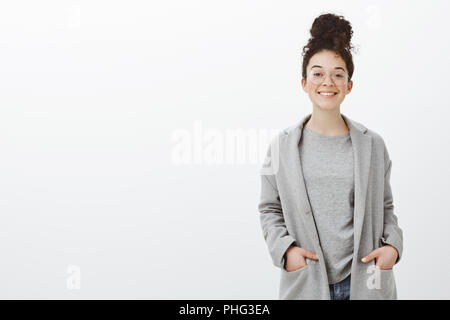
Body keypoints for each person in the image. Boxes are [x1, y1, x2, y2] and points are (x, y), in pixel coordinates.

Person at [258, 13, 403, 300]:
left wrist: (393, 248)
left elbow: (386, 207)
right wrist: (286, 252)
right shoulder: (281, 148)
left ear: (349, 85)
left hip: (365, 280)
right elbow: (269, 210)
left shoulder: (372, 145)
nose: (328, 82)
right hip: (307, 281)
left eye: (338, 73)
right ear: (304, 82)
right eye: (318, 73)